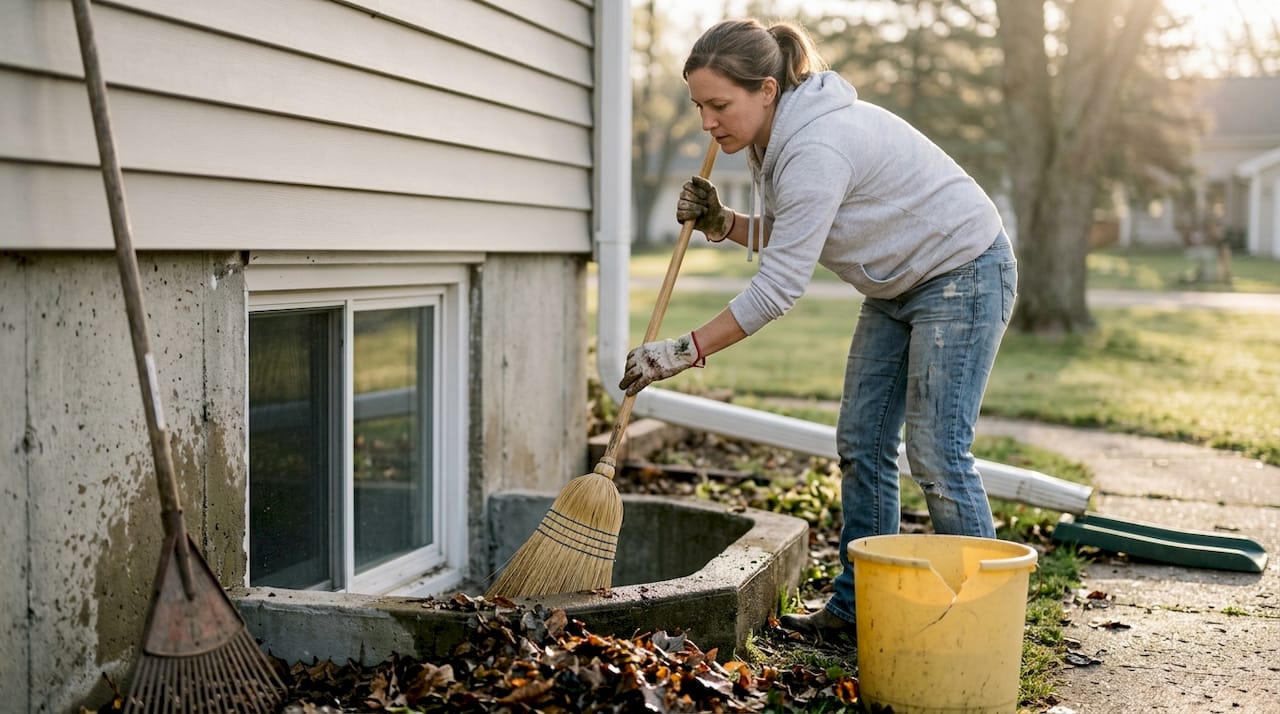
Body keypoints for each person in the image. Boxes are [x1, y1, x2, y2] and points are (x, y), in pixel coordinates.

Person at [619, 18, 1018, 644]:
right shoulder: (777, 140)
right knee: (862, 442)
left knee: (937, 454)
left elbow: (779, 288)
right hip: (897, 285)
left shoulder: (815, 145)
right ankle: (860, 611)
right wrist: (725, 222)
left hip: (962, 270)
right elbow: (799, 233)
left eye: (719, 104)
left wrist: (680, 352)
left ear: (768, 90)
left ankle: (984, 626)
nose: (706, 122)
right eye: (699, 105)